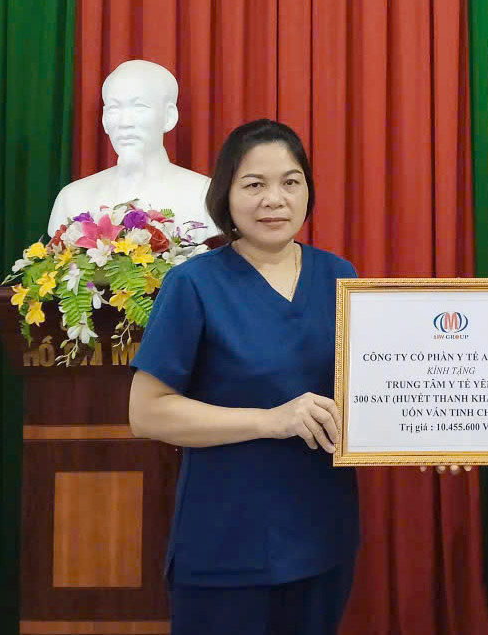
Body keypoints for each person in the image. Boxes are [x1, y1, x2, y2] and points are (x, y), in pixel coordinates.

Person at [129, 119, 358, 635]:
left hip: (323, 536)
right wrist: (271, 421)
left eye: (291, 181)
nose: (274, 199)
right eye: (254, 184)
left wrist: (431, 433)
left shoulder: (340, 276)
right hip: (226, 545)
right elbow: (146, 412)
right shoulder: (192, 283)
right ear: (225, 195)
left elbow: (377, 392)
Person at [48, 60, 219, 240]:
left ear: (169, 117)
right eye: (114, 108)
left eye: (139, 107)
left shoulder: (204, 196)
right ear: (104, 120)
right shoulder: (72, 198)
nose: (125, 123)